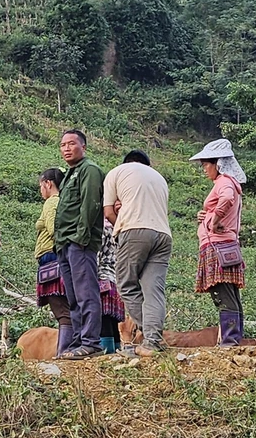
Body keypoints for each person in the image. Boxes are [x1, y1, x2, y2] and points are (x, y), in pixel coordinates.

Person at [103, 149, 172, 357]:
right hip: (163, 235)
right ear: (147, 165)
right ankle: (152, 341)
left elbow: (108, 212)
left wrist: (120, 224)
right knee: (153, 290)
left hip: (133, 231)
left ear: (126, 163)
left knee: (125, 283)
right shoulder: (160, 179)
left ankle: (151, 335)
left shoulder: (116, 172)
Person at [189, 139, 246, 347]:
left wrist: (213, 220)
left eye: (206, 164)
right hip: (226, 245)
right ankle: (235, 337)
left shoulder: (224, 182)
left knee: (223, 295)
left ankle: (230, 340)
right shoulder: (229, 182)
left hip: (217, 246)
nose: (204, 169)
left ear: (218, 164)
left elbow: (227, 199)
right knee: (230, 293)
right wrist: (208, 215)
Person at [54, 129, 105, 360]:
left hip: (79, 242)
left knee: (86, 293)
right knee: (73, 297)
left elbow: (90, 205)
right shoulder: (69, 174)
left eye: (71, 144)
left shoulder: (90, 170)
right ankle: (78, 342)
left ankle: (91, 342)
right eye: (62, 145)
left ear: (83, 147)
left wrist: (80, 238)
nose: (66, 148)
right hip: (64, 243)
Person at [34, 168, 73, 356]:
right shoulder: (63, 202)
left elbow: (53, 228)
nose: (41, 190)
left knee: (61, 308)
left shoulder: (51, 202)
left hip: (51, 257)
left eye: (41, 186)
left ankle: (64, 351)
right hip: (58, 256)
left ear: (48, 184)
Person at [98, 218, 125, 353]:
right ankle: (116, 350)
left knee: (103, 318)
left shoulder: (101, 229)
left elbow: (97, 256)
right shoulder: (116, 228)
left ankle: (106, 353)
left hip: (102, 277)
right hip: (115, 279)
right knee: (112, 321)